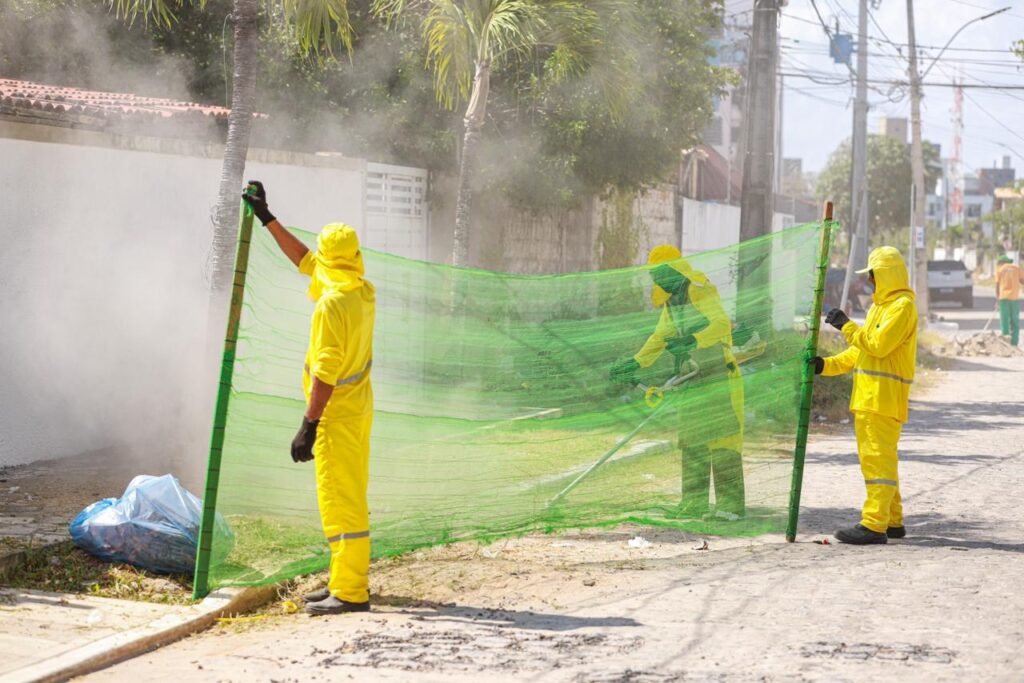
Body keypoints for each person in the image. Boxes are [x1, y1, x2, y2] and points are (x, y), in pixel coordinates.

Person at [242, 181, 376, 615]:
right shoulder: (357, 285)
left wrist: (309, 424)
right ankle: (342, 581)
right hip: (355, 410)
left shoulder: (332, 304)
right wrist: (267, 217)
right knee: (342, 495)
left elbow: (325, 373)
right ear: (353, 256)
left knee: (341, 500)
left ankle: (351, 592)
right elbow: (305, 259)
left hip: (335, 417)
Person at [610, 244, 745, 520]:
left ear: (674, 270)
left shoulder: (699, 289)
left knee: (722, 438)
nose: (657, 280)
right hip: (692, 375)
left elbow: (721, 324)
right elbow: (660, 336)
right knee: (692, 439)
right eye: (653, 276)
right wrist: (635, 362)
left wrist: (693, 340)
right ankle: (693, 503)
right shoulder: (672, 300)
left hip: (717, 372)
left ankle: (730, 508)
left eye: (660, 274)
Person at [810, 246, 917, 545]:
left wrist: (846, 325)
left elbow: (878, 345)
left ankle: (873, 524)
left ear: (882, 274)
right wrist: (825, 366)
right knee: (884, 462)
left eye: (871, 274)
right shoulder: (880, 308)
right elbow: (860, 351)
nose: (869, 280)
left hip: (882, 399)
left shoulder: (902, 307)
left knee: (876, 463)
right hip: (871, 399)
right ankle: (892, 521)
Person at [995, 254, 1023, 347]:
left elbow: (997, 285)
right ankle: (1014, 343)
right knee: (1015, 321)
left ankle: (1006, 343)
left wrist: (997, 299)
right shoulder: (1016, 268)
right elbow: (1022, 281)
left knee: (1004, 321)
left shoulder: (1000, 269)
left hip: (1003, 298)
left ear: (1001, 262)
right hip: (1014, 298)